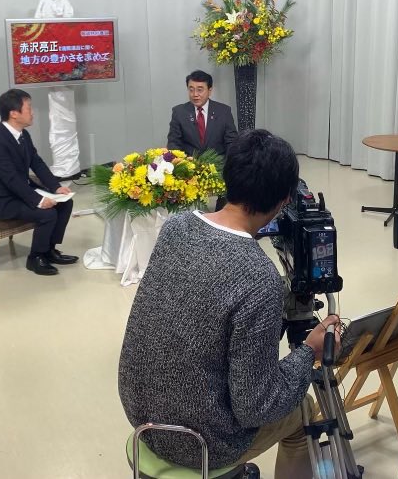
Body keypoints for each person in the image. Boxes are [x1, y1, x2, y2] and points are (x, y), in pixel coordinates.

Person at [118, 129, 339, 477]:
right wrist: (308, 352)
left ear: (229, 178)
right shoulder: (258, 277)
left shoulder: (176, 227)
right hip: (203, 444)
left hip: (142, 417)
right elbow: (258, 406)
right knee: (305, 411)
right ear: (284, 200)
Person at [0, 89, 78, 276]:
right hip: (3, 200)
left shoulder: (23, 134)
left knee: (65, 203)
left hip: (20, 192)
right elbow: (10, 179)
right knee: (47, 213)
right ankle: (35, 258)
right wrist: (38, 200)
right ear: (14, 113)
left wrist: (56, 187)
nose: (32, 113)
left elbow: (37, 163)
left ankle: (49, 250)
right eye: (29, 108)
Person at [167, 69, 238, 157]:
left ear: (209, 91)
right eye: (191, 90)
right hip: (189, 164)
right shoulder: (179, 112)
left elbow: (232, 144)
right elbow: (174, 144)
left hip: (218, 164)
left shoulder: (224, 111)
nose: (195, 94)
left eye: (200, 90)